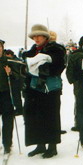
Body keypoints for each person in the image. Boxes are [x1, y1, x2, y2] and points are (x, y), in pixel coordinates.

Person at [23, 24, 66, 158]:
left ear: (45, 36)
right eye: (34, 36)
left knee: (51, 116)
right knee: (36, 116)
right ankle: (40, 144)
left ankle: (52, 147)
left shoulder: (55, 49)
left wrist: (44, 69)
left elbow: (59, 66)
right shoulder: (32, 51)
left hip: (51, 89)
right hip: (35, 88)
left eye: (38, 36)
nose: (36, 38)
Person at [68, 35, 83, 132]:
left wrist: (72, 80)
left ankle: (78, 124)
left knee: (79, 103)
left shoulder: (74, 54)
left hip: (78, 83)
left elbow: (69, 70)